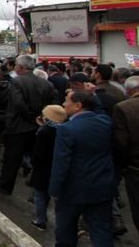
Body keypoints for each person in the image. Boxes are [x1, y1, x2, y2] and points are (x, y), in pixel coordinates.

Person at [50, 90, 116, 247]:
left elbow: (61, 163)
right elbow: (99, 110)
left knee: (66, 230)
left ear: (78, 106)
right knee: (102, 231)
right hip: (102, 185)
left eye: (67, 101)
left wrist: (54, 190)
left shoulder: (66, 129)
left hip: (73, 189)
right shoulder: (105, 122)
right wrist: (93, 94)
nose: (64, 104)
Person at [0, 55, 56, 195]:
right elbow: (52, 103)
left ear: (20, 67)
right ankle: (38, 190)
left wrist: (31, 117)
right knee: (37, 159)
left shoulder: (17, 82)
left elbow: (18, 104)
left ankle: (5, 185)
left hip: (18, 126)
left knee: (12, 158)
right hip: (38, 126)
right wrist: (39, 118)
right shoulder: (46, 83)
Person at [28, 104, 67, 231]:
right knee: (56, 196)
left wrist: (33, 163)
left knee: (40, 195)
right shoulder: (65, 130)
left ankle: (41, 220)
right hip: (56, 167)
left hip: (43, 168)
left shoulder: (44, 132)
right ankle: (63, 223)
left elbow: (38, 153)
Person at [112, 76, 139, 233]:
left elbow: (121, 143)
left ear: (128, 90)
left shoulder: (124, 108)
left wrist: (121, 168)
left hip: (135, 168)